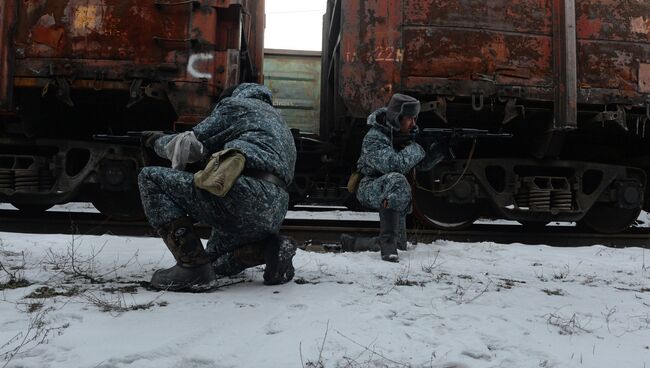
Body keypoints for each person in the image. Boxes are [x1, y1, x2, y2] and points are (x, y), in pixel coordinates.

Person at [138, 83, 297, 291]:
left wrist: (156, 140)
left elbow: (189, 145)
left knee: (150, 178)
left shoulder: (236, 106)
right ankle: (269, 249)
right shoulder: (280, 123)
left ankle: (191, 267)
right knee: (215, 263)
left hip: (243, 196)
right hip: (273, 213)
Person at [340, 93, 446, 262]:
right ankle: (387, 244)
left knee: (400, 246)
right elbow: (394, 165)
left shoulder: (405, 135)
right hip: (369, 187)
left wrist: (441, 150)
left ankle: (354, 244)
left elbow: (420, 165)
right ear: (397, 118)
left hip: (394, 194)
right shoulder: (374, 137)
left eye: (415, 118)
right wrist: (418, 147)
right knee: (398, 178)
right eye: (410, 119)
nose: (414, 123)